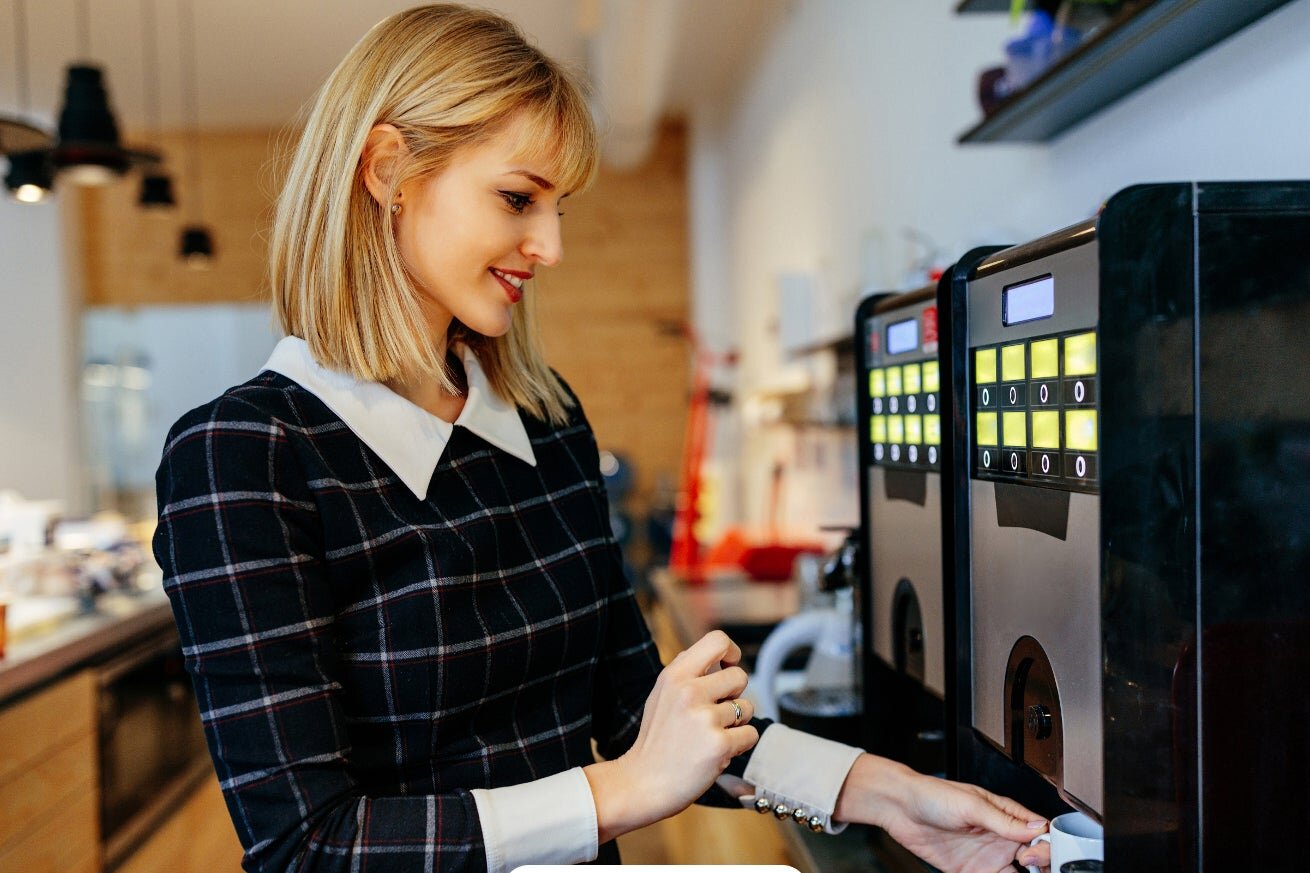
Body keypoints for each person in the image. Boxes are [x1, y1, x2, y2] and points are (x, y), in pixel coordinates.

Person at [152, 5, 1052, 872]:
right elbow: (310, 846)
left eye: (560, 209)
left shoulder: (545, 419)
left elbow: (638, 715)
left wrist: (888, 792)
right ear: (387, 168)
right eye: (516, 198)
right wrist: (616, 793)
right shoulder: (243, 455)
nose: (548, 246)